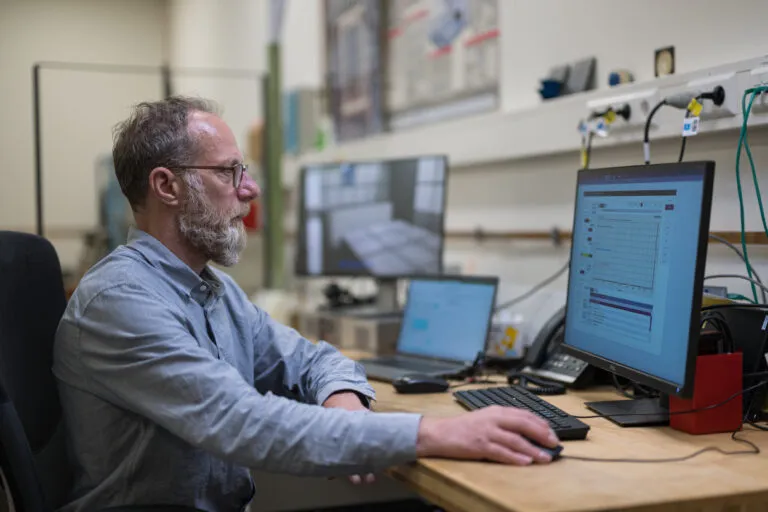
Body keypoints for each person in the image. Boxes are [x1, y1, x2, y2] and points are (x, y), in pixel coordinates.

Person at [53, 96, 559, 511]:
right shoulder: (121, 301)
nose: (249, 190)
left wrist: (349, 410)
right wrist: (437, 432)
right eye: (230, 172)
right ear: (167, 186)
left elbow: (313, 359)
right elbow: (243, 423)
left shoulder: (214, 290)